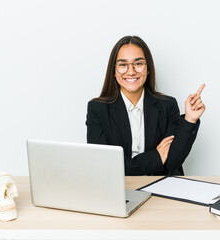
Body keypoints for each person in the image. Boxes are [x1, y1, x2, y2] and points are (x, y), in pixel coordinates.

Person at [86, 36, 205, 176]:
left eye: (138, 63)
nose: (131, 71)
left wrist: (190, 120)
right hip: (119, 186)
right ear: (113, 71)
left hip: (161, 186)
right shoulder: (97, 109)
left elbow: (172, 162)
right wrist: (155, 157)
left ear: (148, 69)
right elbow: (105, 165)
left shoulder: (167, 105)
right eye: (123, 65)